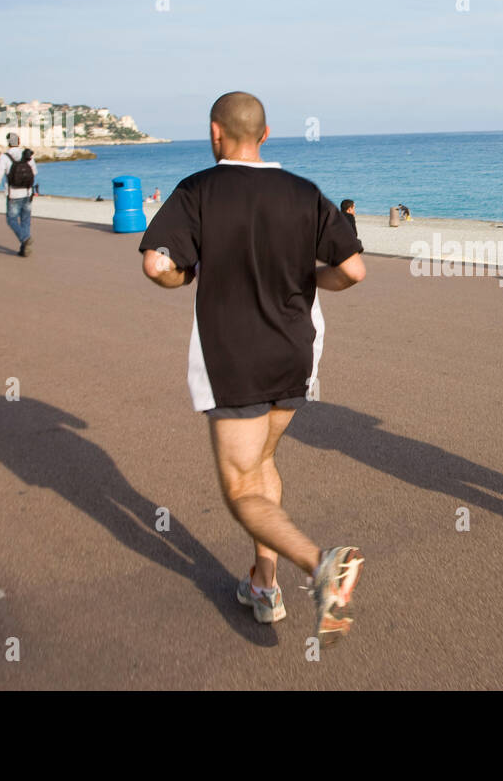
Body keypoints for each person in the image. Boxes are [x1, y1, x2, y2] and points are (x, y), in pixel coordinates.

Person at [138, 91, 367, 643]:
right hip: (295, 351)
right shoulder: (304, 192)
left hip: (233, 358)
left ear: (215, 133)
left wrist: (183, 277)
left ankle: (321, 566)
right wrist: (311, 279)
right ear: (265, 135)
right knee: (262, 464)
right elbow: (353, 270)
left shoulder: (198, 189)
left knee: (241, 490)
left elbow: (156, 264)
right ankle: (264, 584)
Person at [0, 134, 38, 256]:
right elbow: (34, 172)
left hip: (13, 194)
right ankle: (24, 248)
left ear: (8, 143)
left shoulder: (5, 157)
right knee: (25, 220)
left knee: (11, 220)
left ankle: (25, 238)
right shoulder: (27, 155)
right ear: (19, 141)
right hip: (28, 192)